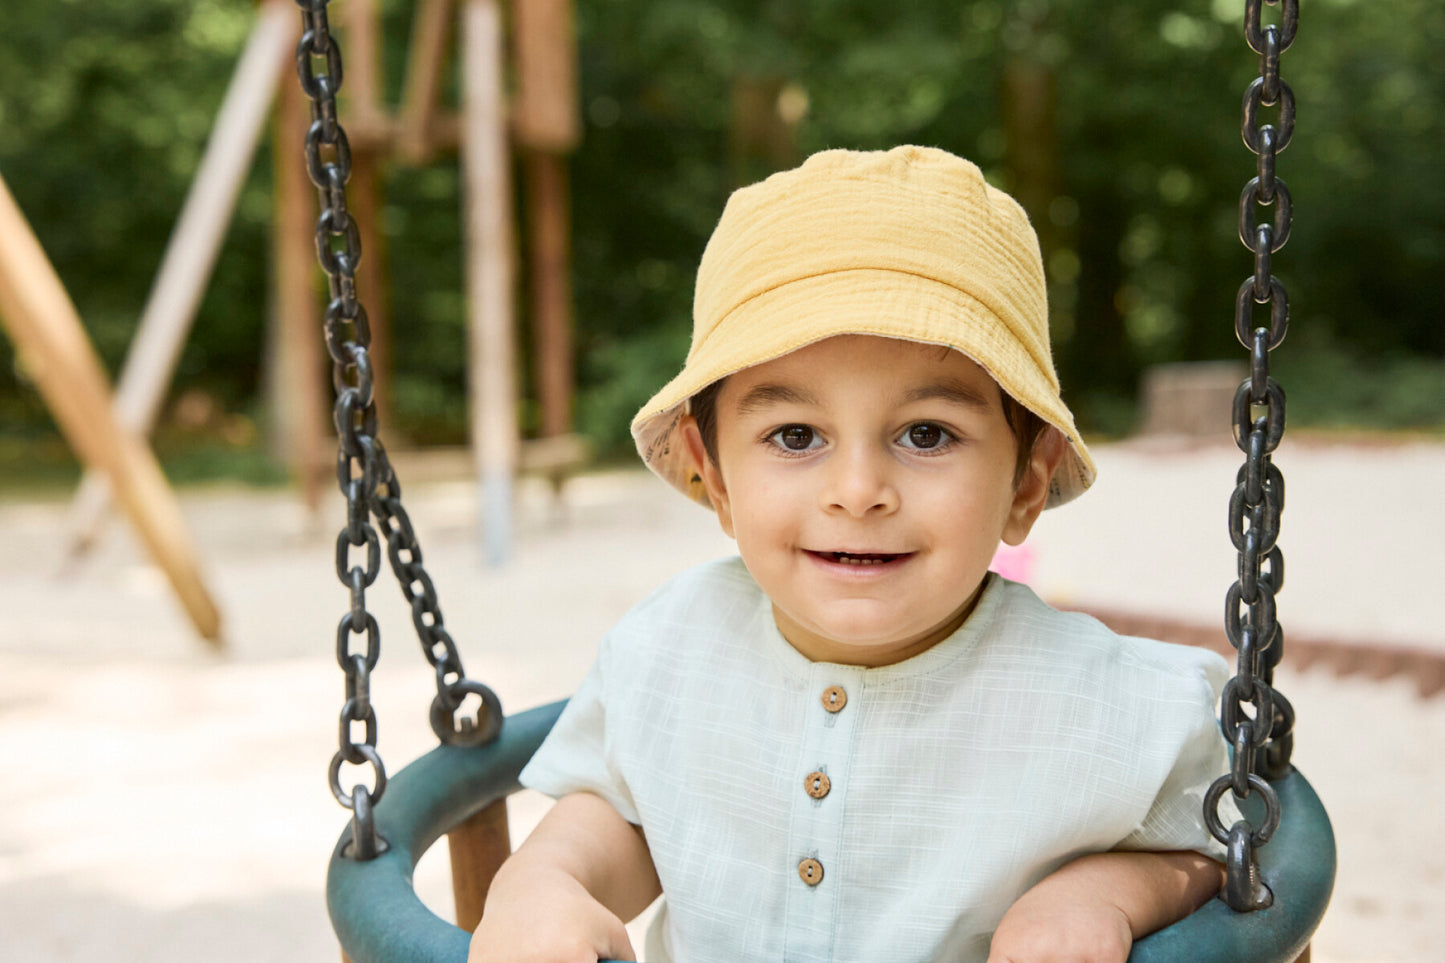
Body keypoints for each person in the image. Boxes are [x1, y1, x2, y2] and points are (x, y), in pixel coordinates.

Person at [468, 146, 1232, 963]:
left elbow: (1220, 841)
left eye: (926, 434)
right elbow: (623, 818)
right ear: (712, 474)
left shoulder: (1110, 707)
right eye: (795, 435)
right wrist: (540, 881)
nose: (858, 490)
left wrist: (1099, 893)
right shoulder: (668, 648)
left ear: (1026, 479)